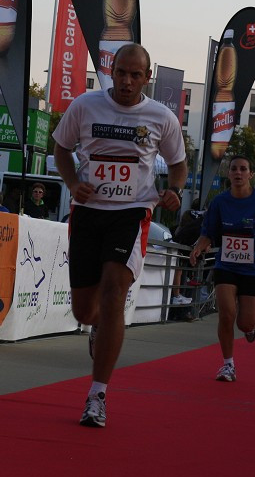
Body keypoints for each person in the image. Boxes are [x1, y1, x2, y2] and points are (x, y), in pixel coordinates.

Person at [53, 43, 187, 428]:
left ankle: (97, 395)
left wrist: (174, 191)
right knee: (85, 309)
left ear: (147, 78)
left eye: (136, 75)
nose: (127, 81)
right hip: (89, 213)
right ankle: (96, 326)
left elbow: (178, 163)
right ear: (111, 71)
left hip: (131, 213)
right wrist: (73, 181)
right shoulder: (85, 105)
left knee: (114, 292)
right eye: (122, 73)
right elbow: (62, 148)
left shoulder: (161, 117)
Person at [190, 155, 255, 381]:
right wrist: (198, 248)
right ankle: (228, 364)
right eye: (234, 169)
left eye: (243, 169)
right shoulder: (219, 202)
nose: (238, 173)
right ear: (229, 173)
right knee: (226, 313)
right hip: (227, 264)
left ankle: (252, 327)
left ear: (250, 174)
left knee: (244, 323)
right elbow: (208, 233)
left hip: (254, 267)